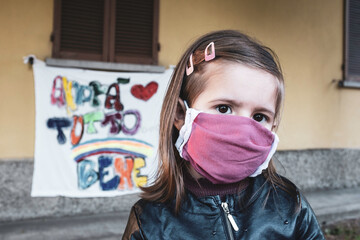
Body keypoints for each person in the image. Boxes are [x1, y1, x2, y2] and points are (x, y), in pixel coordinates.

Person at [122, 30, 325, 240]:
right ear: (180, 115)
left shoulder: (290, 204)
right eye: (224, 109)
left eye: (259, 116)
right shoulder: (150, 221)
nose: (244, 130)